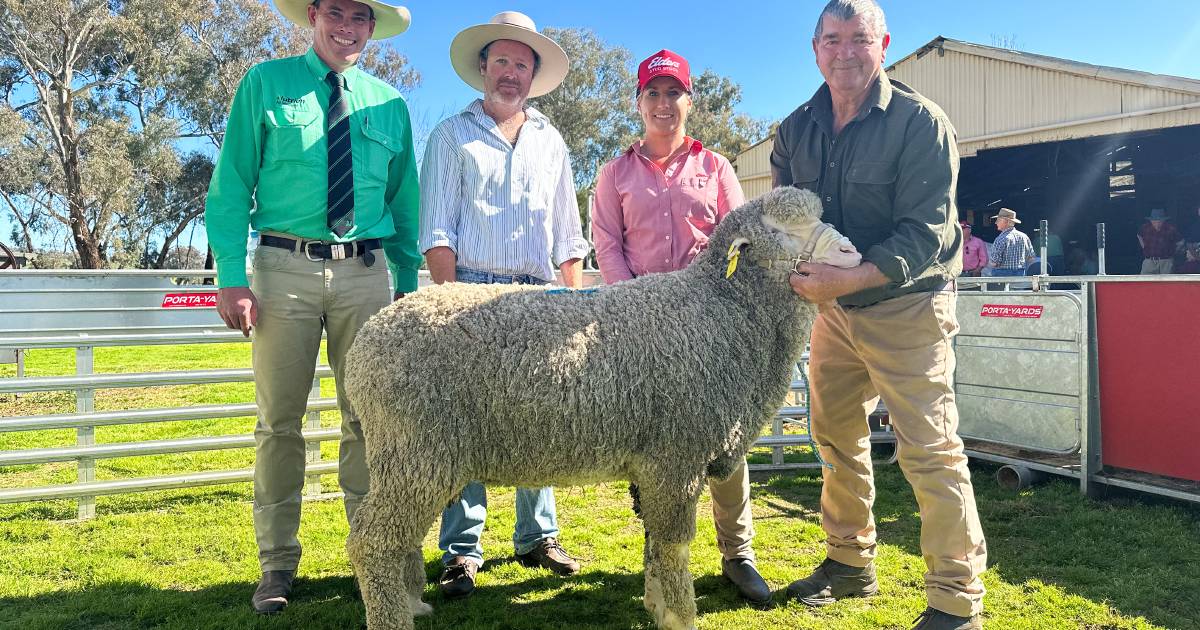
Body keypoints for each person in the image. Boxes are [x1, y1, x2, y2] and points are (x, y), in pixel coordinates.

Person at [770, 1, 985, 628]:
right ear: (814, 49)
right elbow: (789, 219)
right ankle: (849, 562)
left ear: (883, 44)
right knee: (836, 438)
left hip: (907, 307)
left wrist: (847, 278)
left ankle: (954, 598)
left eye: (857, 38)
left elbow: (926, 234)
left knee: (929, 449)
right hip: (834, 314)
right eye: (831, 39)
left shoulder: (920, 125)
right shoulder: (794, 130)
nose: (844, 52)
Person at [204, 0, 419, 614]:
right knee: (279, 425)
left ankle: (371, 556)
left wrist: (406, 286)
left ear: (372, 28)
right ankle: (276, 565)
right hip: (282, 273)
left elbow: (406, 204)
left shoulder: (390, 103)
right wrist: (230, 277)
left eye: (360, 17)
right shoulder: (266, 84)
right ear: (313, 15)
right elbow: (230, 188)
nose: (346, 28)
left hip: (366, 274)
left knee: (371, 423)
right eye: (335, 13)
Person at [417, 10, 590, 599]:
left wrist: (573, 305)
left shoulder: (551, 141)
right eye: (501, 61)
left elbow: (569, 232)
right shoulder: (450, 137)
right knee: (467, 417)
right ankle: (462, 550)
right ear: (483, 68)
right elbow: (436, 229)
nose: (510, 73)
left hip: (540, 296)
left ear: (533, 73)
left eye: (522, 63)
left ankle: (537, 536)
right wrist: (447, 304)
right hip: (470, 291)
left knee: (539, 412)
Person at [590, 48, 770, 606]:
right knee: (652, 442)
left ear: (689, 101)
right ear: (639, 102)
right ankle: (663, 559)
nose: (664, 104)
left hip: (709, 330)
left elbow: (740, 236)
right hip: (639, 328)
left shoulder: (715, 168)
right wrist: (634, 304)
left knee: (726, 442)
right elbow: (607, 244)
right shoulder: (614, 173)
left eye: (674, 94)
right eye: (654, 94)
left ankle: (737, 553)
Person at [989, 208, 1034, 277]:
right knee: (1017, 287)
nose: (996, 223)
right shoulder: (1024, 237)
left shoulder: (1001, 239)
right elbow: (1031, 258)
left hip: (1001, 276)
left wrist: (988, 263)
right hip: (1020, 274)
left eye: (998, 220)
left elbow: (995, 263)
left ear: (1006, 221)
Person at [1138, 208, 1182, 274]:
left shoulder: (1171, 229)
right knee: (1145, 282)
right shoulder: (1145, 228)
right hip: (1149, 261)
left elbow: (1181, 242)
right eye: (1155, 221)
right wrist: (1144, 247)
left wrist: (1172, 252)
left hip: (1166, 261)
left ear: (1164, 221)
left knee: (1166, 283)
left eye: (1160, 221)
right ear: (1151, 221)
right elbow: (1139, 235)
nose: (1157, 224)